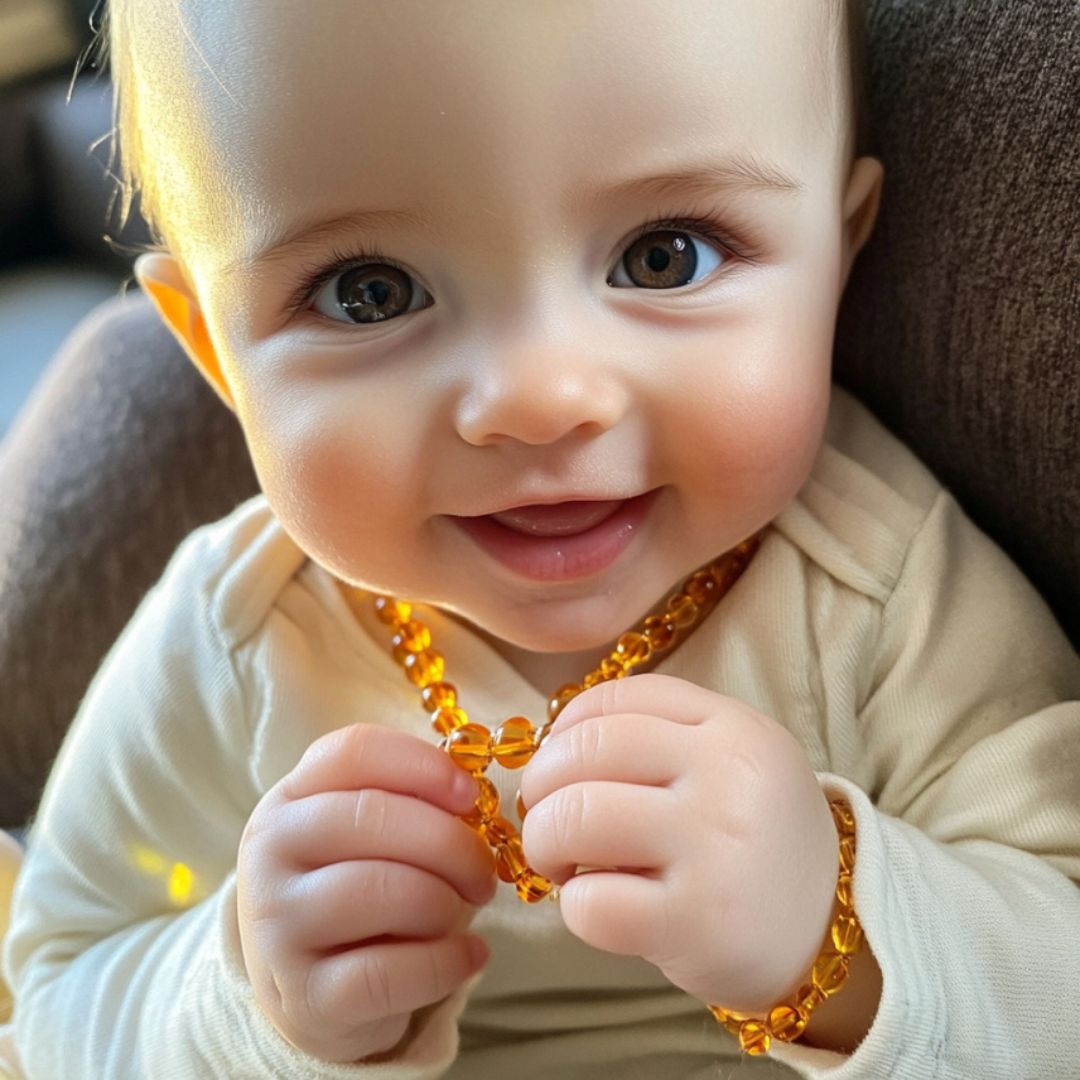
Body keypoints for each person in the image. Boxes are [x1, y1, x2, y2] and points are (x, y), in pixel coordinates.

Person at [1, 1, 1078, 1076]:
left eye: (665, 257)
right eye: (368, 293)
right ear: (216, 357)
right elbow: (58, 988)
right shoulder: (238, 635)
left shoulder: (877, 590)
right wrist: (246, 989)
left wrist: (832, 929)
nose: (537, 397)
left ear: (836, 257)